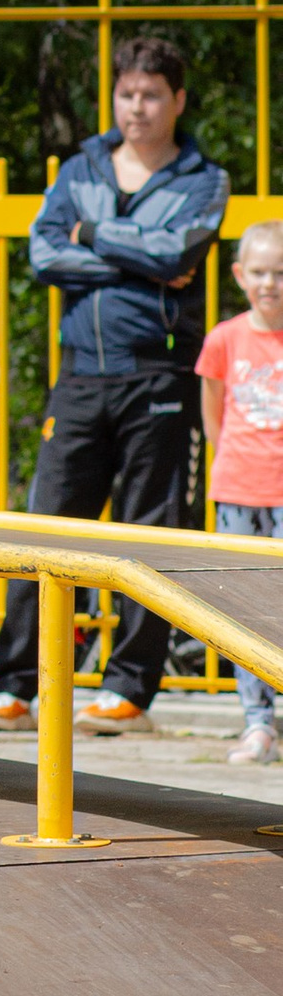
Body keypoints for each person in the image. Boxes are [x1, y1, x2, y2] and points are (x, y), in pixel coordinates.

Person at [0, 31, 228, 736]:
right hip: (81, 374)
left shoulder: (205, 179)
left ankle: (128, 693)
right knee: (45, 529)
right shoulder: (81, 165)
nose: (136, 108)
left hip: (160, 377)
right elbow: (43, 255)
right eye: (126, 94)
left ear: (177, 99)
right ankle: (15, 688)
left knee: (150, 538)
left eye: (150, 95)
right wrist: (130, 257)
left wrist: (92, 234)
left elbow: (180, 252)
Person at [198, 221, 283, 763]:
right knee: (243, 612)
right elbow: (213, 417)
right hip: (239, 487)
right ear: (239, 275)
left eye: (281, 272)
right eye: (259, 272)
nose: (270, 282)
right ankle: (258, 721)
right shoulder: (224, 339)